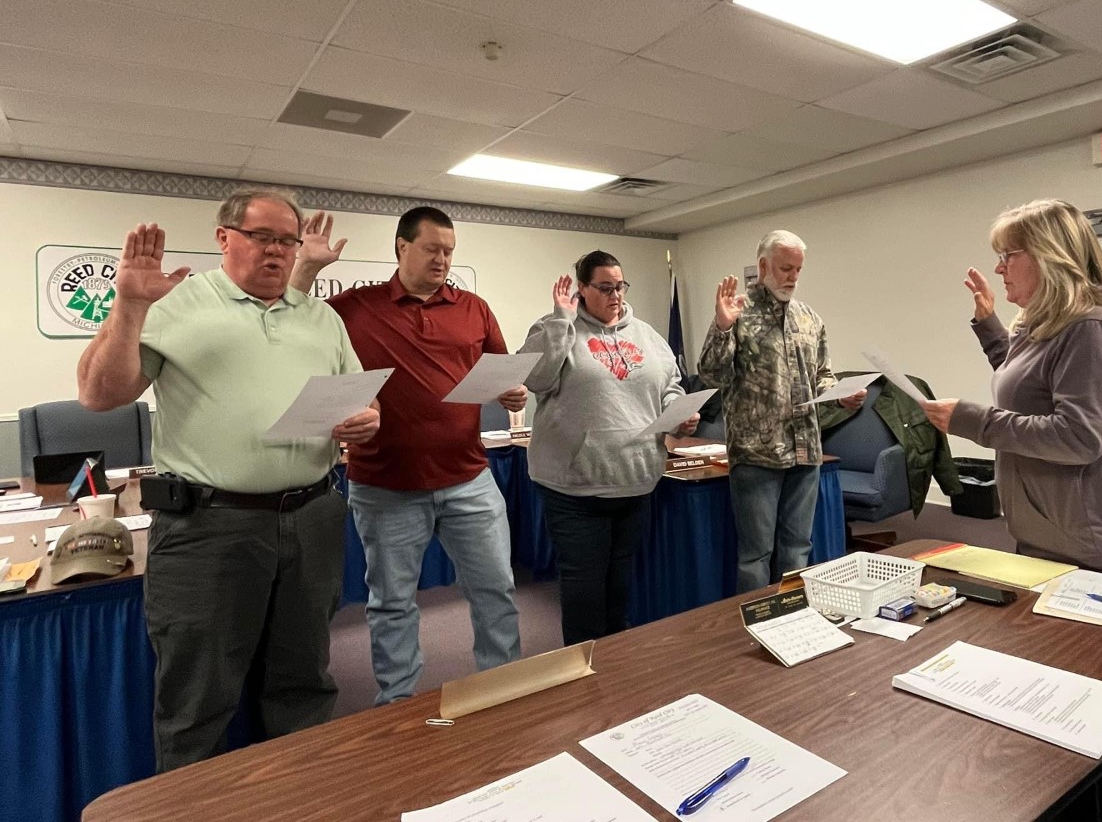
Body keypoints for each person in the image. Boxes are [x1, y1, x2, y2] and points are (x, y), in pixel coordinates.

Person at [77, 189, 379, 772]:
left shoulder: (321, 316)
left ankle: (299, 801)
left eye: (286, 241)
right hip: (208, 527)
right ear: (224, 238)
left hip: (312, 516)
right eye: (261, 237)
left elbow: (360, 398)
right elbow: (99, 394)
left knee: (304, 679)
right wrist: (129, 305)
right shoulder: (176, 303)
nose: (276, 252)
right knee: (198, 695)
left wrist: (367, 420)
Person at [919, 198, 1102, 822]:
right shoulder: (1050, 324)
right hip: (1066, 528)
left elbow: (1078, 434)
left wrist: (970, 421)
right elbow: (1028, 384)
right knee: (1074, 692)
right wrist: (990, 325)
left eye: (1008, 254)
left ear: (1048, 256)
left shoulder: (1092, 327)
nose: (1001, 267)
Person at [289, 206, 523, 706]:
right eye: (432, 249)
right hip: (385, 486)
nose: (443, 260)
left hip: (469, 479)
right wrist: (306, 268)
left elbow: (502, 371)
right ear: (401, 247)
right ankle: (396, 702)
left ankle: (501, 688)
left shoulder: (474, 308)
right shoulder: (355, 306)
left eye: (450, 251)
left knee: (496, 589)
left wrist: (512, 392)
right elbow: (287, 322)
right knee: (392, 604)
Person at [520, 250, 698, 646]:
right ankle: (584, 680)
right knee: (584, 592)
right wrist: (561, 323)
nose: (615, 295)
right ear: (581, 289)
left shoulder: (648, 336)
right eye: (604, 287)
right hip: (574, 486)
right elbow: (535, 378)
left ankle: (616, 674)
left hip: (634, 479)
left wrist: (677, 412)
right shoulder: (554, 327)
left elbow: (669, 386)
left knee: (619, 589)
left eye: (620, 286)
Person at [698, 230, 866, 593]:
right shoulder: (738, 314)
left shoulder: (809, 319)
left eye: (798, 270)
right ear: (763, 266)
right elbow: (711, 375)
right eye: (786, 268)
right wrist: (722, 328)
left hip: (805, 452)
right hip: (757, 455)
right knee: (756, 554)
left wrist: (840, 396)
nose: (793, 277)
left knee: (798, 547)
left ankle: (791, 616)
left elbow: (822, 375)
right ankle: (754, 623)